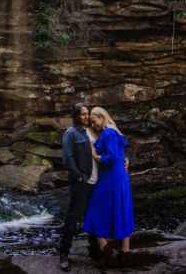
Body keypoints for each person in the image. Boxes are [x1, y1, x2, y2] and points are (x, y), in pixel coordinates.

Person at [59, 103, 129, 271]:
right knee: (73, 217)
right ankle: (64, 253)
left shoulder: (96, 131)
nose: (86, 117)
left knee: (95, 215)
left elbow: (112, 148)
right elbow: (67, 159)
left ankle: (95, 251)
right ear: (76, 116)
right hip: (82, 182)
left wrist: (124, 160)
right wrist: (78, 177)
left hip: (100, 181)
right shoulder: (71, 134)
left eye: (88, 114)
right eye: (83, 115)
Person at [83, 106, 135, 267]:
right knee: (121, 210)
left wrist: (95, 155)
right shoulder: (111, 132)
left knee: (92, 210)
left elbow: (112, 157)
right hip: (117, 176)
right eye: (91, 122)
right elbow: (118, 153)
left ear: (102, 117)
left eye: (94, 121)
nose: (93, 125)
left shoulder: (108, 132)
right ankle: (125, 253)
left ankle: (104, 249)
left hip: (111, 176)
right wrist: (124, 159)